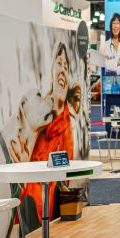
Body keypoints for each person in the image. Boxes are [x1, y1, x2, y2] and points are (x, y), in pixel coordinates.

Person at [23, 43, 82, 223]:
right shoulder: (37, 109)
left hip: (47, 206)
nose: (62, 70)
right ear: (52, 70)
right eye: (59, 63)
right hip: (26, 203)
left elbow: (66, 174)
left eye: (66, 66)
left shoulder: (66, 129)